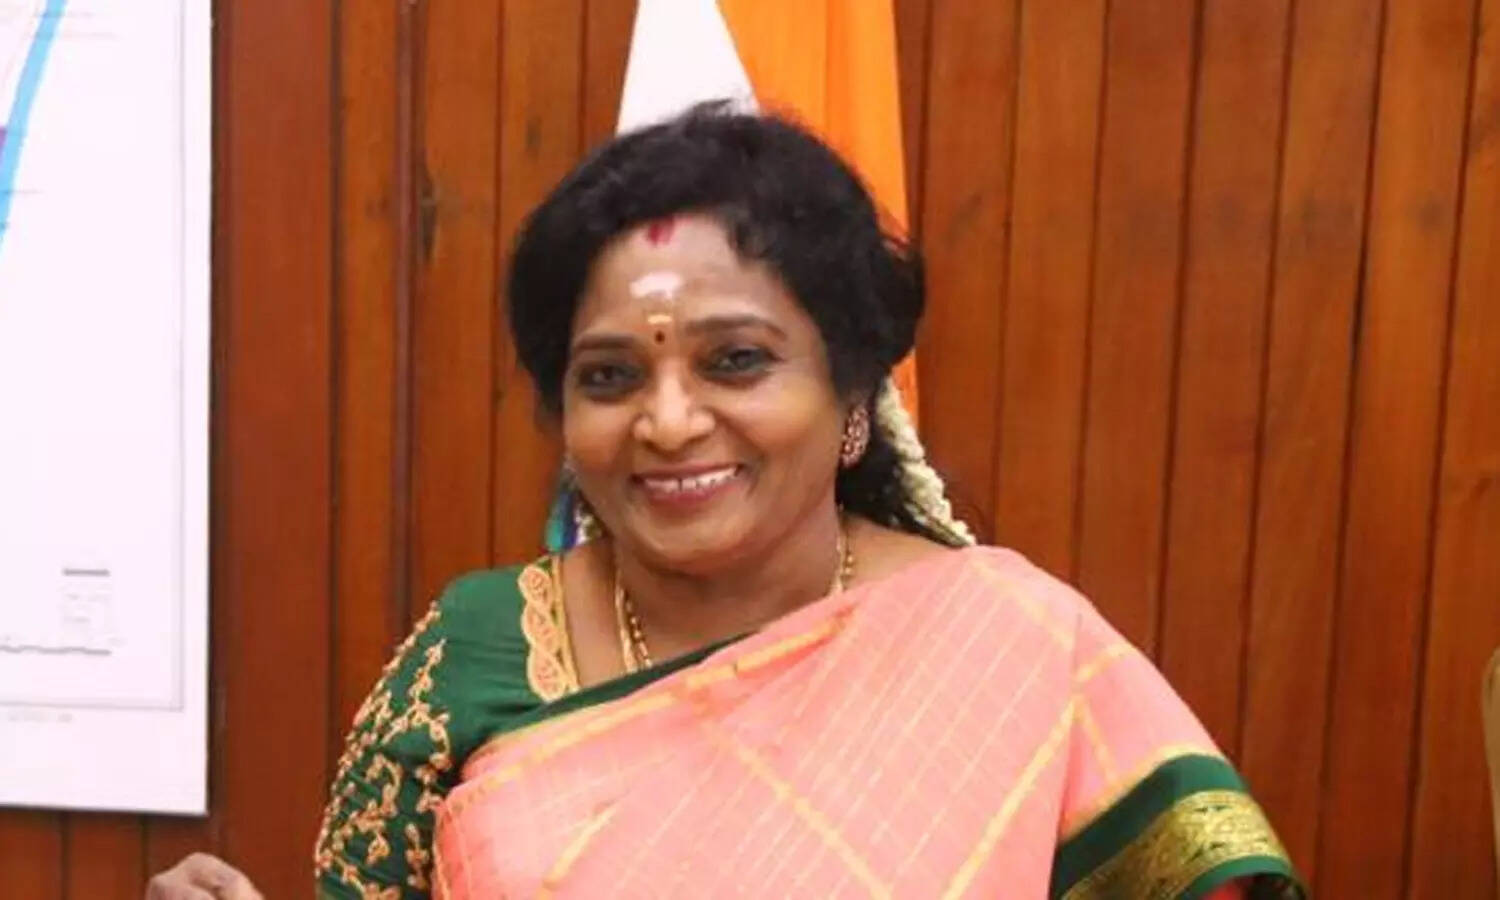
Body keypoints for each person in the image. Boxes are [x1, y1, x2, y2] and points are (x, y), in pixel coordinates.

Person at [149, 107, 1303, 899]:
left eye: (736, 361)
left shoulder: (1015, 646)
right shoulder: (473, 654)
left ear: (853, 393)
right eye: (610, 377)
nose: (666, 421)